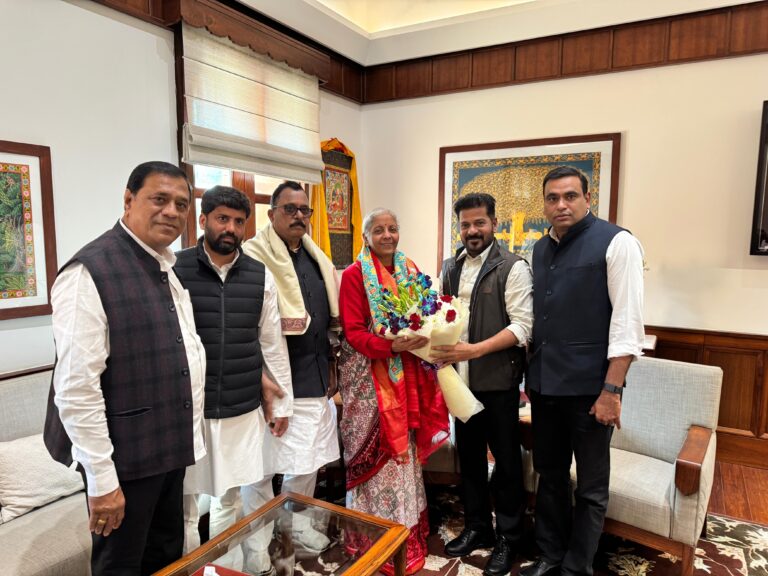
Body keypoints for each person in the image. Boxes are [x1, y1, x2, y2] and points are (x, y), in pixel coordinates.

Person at [43, 161, 207, 576]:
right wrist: (102, 480)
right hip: (123, 459)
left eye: (181, 204)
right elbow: (76, 388)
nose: (172, 211)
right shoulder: (89, 272)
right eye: (160, 199)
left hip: (167, 449)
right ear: (129, 200)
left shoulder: (165, 265)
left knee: (165, 558)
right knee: (121, 567)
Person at [522, 166, 644, 576]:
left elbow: (627, 326)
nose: (561, 204)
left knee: (590, 488)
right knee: (550, 476)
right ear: (544, 204)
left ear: (588, 199)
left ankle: (576, 568)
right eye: (552, 198)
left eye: (570, 196)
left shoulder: (618, 242)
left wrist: (612, 391)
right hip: (544, 387)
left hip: (592, 391)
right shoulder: (540, 249)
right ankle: (550, 555)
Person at [174, 186, 292, 569]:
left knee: (230, 499)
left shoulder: (259, 275)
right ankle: (193, 571)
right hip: (190, 411)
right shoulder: (174, 269)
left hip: (241, 408)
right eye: (222, 218)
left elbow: (271, 342)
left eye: (239, 222)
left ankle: (226, 570)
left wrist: (282, 403)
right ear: (203, 219)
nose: (231, 228)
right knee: (186, 505)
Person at [338, 207, 450, 575]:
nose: (387, 235)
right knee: (374, 452)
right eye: (379, 230)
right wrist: (391, 347)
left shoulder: (410, 270)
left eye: (392, 228)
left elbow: (427, 314)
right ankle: (370, 539)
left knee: (404, 454)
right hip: (368, 381)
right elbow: (354, 333)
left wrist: (425, 336)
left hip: (405, 377)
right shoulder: (354, 276)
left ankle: (404, 534)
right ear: (366, 236)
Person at [432, 193, 533, 576]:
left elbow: (522, 327)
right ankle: (477, 527)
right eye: (465, 224)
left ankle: (509, 537)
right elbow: (439, 314)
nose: (472, 230)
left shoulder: (513, 267)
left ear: (494, 223)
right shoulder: (449, 267)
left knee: (506, 464)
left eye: (479, 223)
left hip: (498, 383)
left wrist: (474, 350)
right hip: (459, 384)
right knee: (470, 460)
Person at [242, 180, 340, 552]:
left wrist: (331, 366)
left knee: (306, 461)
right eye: (290, 209)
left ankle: (295, 528)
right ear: (271, 214)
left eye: (304, 210)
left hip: (312, 377)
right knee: (261, 466)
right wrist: (261, 378)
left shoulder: (316, 257)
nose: (299, 215)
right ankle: (257, 540)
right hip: (269, 382)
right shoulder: (251, 257)